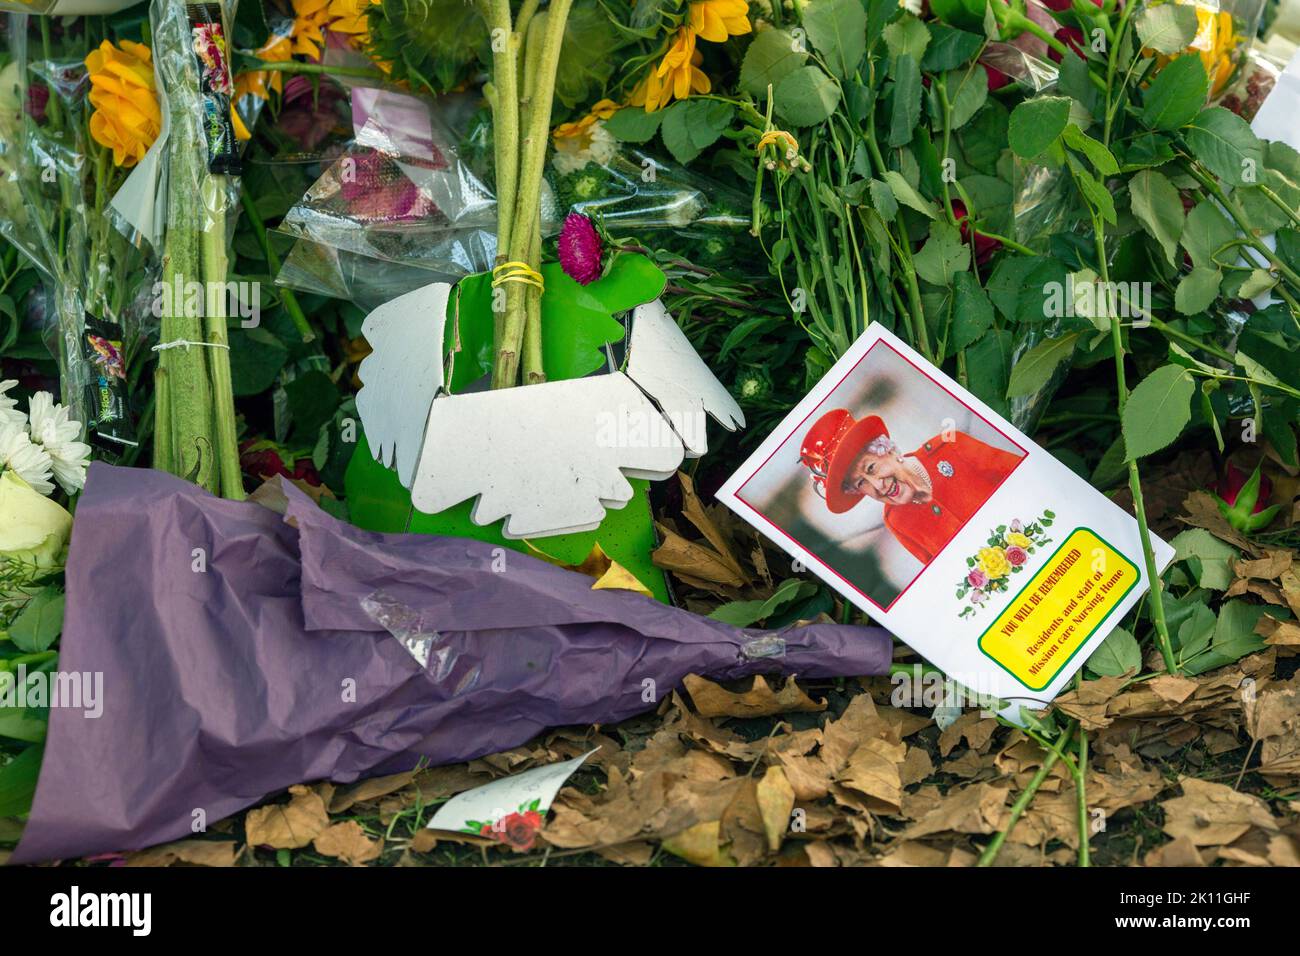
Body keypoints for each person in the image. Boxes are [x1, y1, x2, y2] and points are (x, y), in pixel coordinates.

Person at [799, 409, 1021, 564]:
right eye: (861, 483)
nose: (877, 485)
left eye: (871, 468)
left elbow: (1025, 478)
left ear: (889, 450)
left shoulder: (950, 448)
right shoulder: (897, 521)